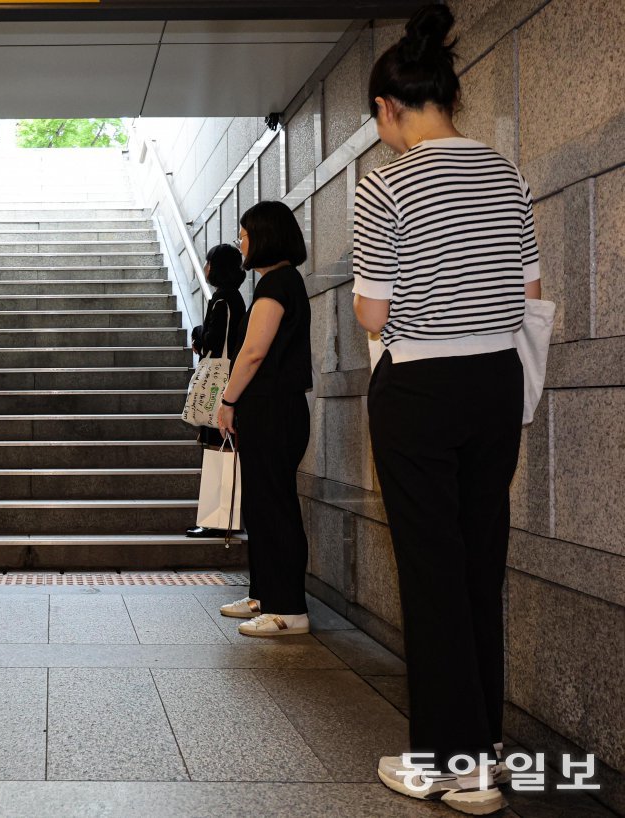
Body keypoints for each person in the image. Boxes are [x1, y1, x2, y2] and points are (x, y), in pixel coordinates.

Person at [352, 6, 539, 814]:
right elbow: (528, 291)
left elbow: (371, 312)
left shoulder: (385, 183)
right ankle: (484, 746)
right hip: (496, 381)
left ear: (391, 108)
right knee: (477, 561)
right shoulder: (505, 172)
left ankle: (453, 767)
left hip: (420, 388)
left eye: (378, 119)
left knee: (429, 570)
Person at [214, 201, 313, 638]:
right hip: (273, 410)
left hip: (273, 409)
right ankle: (264, 595)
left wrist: (227, 400)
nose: (241, 242)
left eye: (245, 234)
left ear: (265, 235)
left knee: (274, 507)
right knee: (262, 505)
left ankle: (288, 609)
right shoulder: (280, 282)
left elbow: (253, 351)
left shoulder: (276, 285)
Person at [186, 243, 247, 538]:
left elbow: (212, 341)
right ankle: (220, 519)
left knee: (217, 449)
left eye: (208, 262)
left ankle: (216, 520)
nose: (206, 267)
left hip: (220, 387)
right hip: (231, 381)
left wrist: (198, 335)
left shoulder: (222, 300)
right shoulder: (235, 299)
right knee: (223, 449)